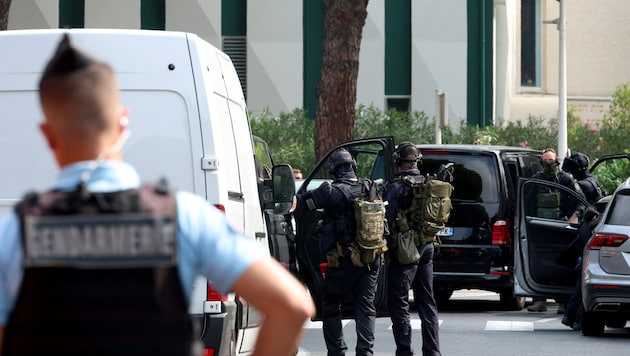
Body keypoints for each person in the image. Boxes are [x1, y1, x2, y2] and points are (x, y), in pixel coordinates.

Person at [0, 34, 314, 355]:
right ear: (123, 121)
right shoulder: (184, 218)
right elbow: (290, 305)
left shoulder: (14, 234)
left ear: (47, 134)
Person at [297, 148, 380, 356]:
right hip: (371, 257)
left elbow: (302, 205)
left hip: (343, 260)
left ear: (334, 169)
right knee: (366, 307)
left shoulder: (330, 191)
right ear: (353, 166)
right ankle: (365, 352)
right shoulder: (369, 186)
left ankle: (337, 352)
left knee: (331, 303)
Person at [383, 142, 441, 356]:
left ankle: (405, 351)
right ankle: (433, 352)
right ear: (417, 160)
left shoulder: (397, 187)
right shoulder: (429, 184)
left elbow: (385, 220)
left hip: (405, 251)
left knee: (399, 302)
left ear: (399, 161)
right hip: (427, 247)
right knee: (427, 302)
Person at [527, 148, 581, 313]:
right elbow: (528, 201)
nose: (548, 164)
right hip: (540, 227)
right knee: (539, 263)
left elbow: (580, 200)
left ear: (557, 161)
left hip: (561, 228)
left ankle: (563, 302)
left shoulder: (567, 179)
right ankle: (539, 301)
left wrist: (574, 216)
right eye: (545, 161)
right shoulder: (536, 179)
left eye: (551, 161)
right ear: (541, 162)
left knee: (562, 264)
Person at [560, 152, 604, 330]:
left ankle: (572, 316)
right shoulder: (592, 181)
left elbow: (574, 209)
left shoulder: (581, 186)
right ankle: (575, 316)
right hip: (593, 229)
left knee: (582, 274)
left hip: (587, 231)